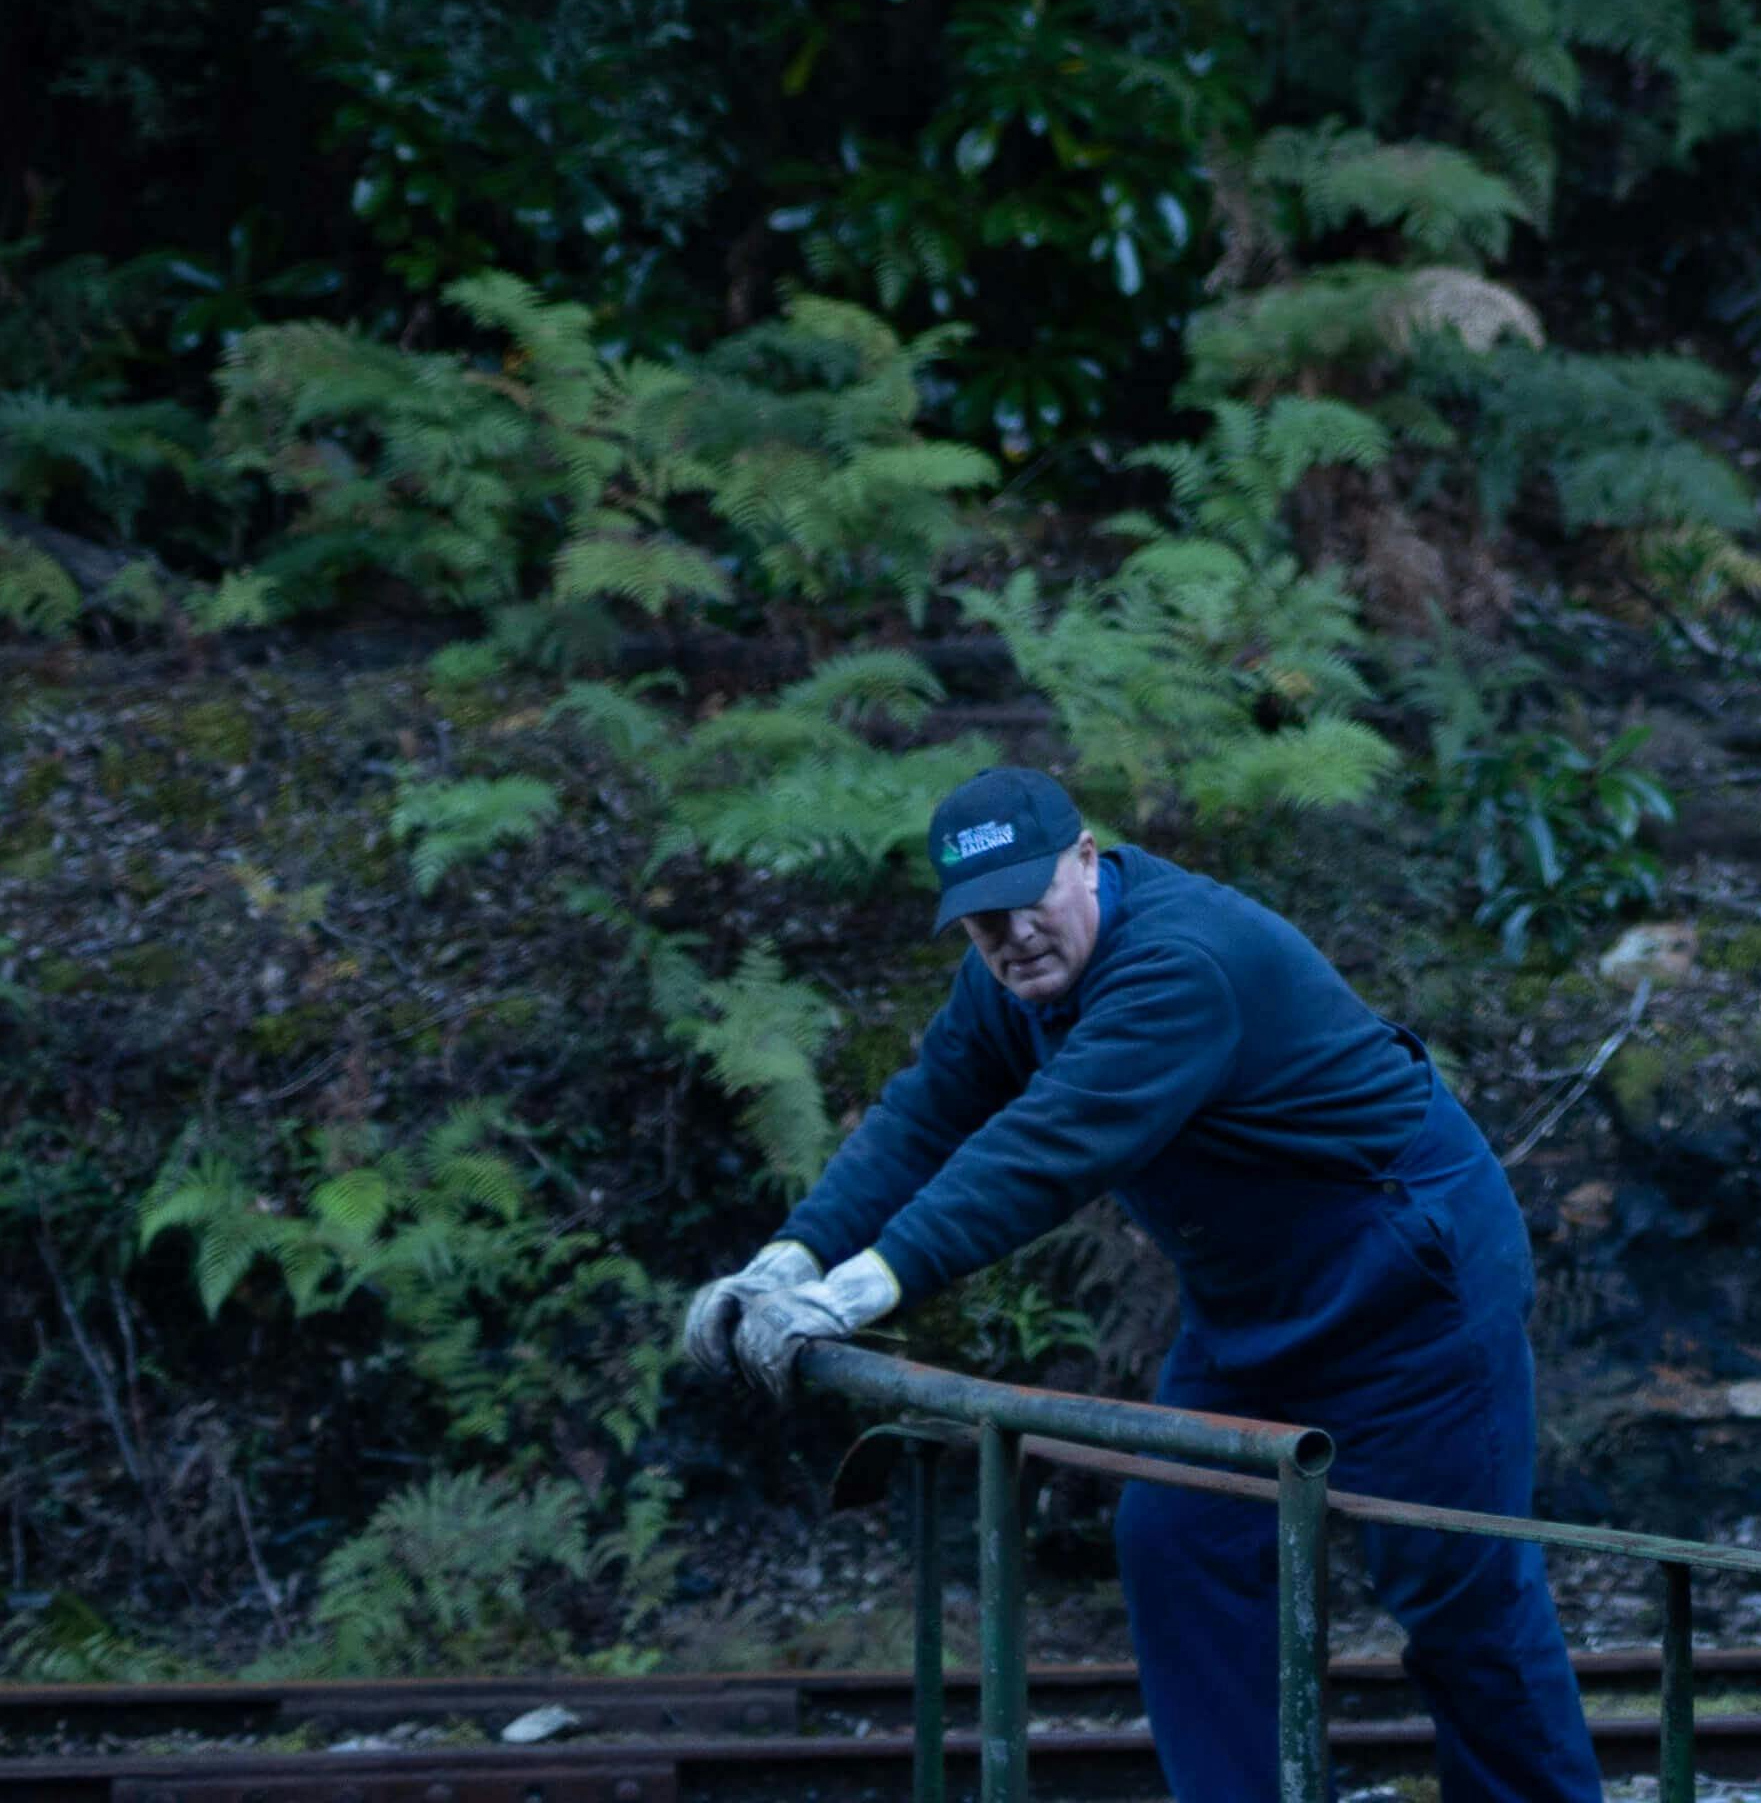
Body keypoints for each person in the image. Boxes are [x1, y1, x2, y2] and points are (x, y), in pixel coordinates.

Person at [678, 766, 1604, 1803]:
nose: (1012, 931)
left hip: (1411, 1285)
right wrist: (786, 1261)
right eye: (982, 916)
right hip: (1253, 1303)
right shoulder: (1005, 979)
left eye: (1031, 896)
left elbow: (1045, 1147)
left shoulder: (1177, 964)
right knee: (1178, 1543)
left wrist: (854, 1295)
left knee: (1460, 1597)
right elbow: (924, 1117)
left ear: (1086, 859)